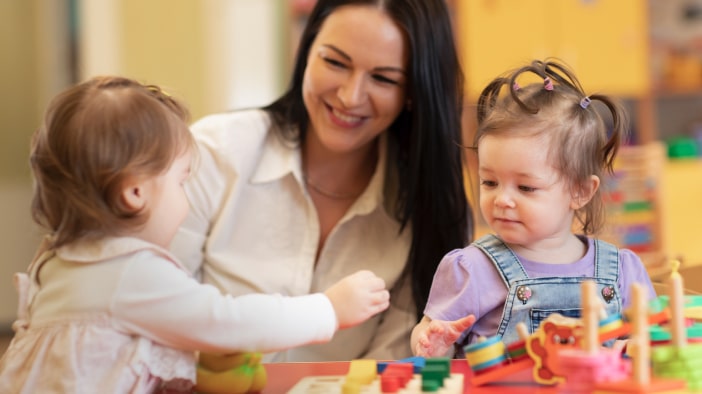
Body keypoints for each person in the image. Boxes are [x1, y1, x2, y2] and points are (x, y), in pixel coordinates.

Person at [0, 76, 391, 393]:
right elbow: (230, 322)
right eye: (181, 181)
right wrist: (328, 309)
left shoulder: (57, 262)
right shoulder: (129, 273)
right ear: (135, 194)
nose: (187, 195)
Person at [170, 0, 473, 362]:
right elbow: (156, 313)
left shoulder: (428, 206)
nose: (350, 96)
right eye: (334, 62)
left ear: (413, 93)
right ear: (306, 50)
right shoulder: (212, 153)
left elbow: (396, 367)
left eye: (383, 78)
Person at [410, 59, 656, 358]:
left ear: (580, 191)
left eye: (525, 187)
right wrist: (431, 343)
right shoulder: (471, 269)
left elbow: (653, 342)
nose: (502, 199)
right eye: (490, 182)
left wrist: (637, 345)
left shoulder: (622, 271)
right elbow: (430, 342)